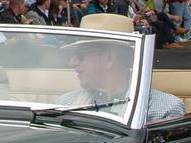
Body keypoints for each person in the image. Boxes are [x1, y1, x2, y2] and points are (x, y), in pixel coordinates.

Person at [56, 37, 184, 122]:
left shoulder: (163, 109)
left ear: (109, 58)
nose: (72, 63)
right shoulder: (65, 103)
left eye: (80, 55)